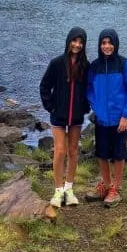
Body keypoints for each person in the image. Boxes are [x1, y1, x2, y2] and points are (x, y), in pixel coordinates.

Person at [87, 28, 127, 207]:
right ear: (99, 45)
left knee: (118, 154)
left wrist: (126, 116)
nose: (107, 46)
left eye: (110, 43)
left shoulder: (125, 65)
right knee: (101, 153)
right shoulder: (94, 66)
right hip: (101, 118)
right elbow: (89, 89)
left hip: (119, 119)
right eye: (103, 43)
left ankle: (116, 188)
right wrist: (96, 106)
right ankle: (107, 184)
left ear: (115, 44)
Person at [39, 26, 90, 208]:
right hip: (58, 116)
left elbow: (90, 90)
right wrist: (51, 106)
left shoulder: (86, 66)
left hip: (76, 117)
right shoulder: (56, 63)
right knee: (60, 151)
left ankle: (69, 189)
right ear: (69, 41)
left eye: (80, 42)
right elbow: (44, 86)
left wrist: (85, 107)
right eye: (74, 41)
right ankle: (58, 190)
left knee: (74, 151)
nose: (77, 45)